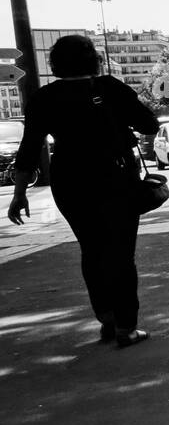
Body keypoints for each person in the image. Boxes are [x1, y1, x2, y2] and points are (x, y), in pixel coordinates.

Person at [6, 34, 157, 347]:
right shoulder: (110, 88)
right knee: (121, 254)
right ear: (94, 59)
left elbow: (29, 147)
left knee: (92, 249)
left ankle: (107, 317)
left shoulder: (44, 97)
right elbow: (149, 125)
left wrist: (19, 193)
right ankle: (126, 327)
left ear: (55, 63)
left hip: (71, 180)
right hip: (116, 178)